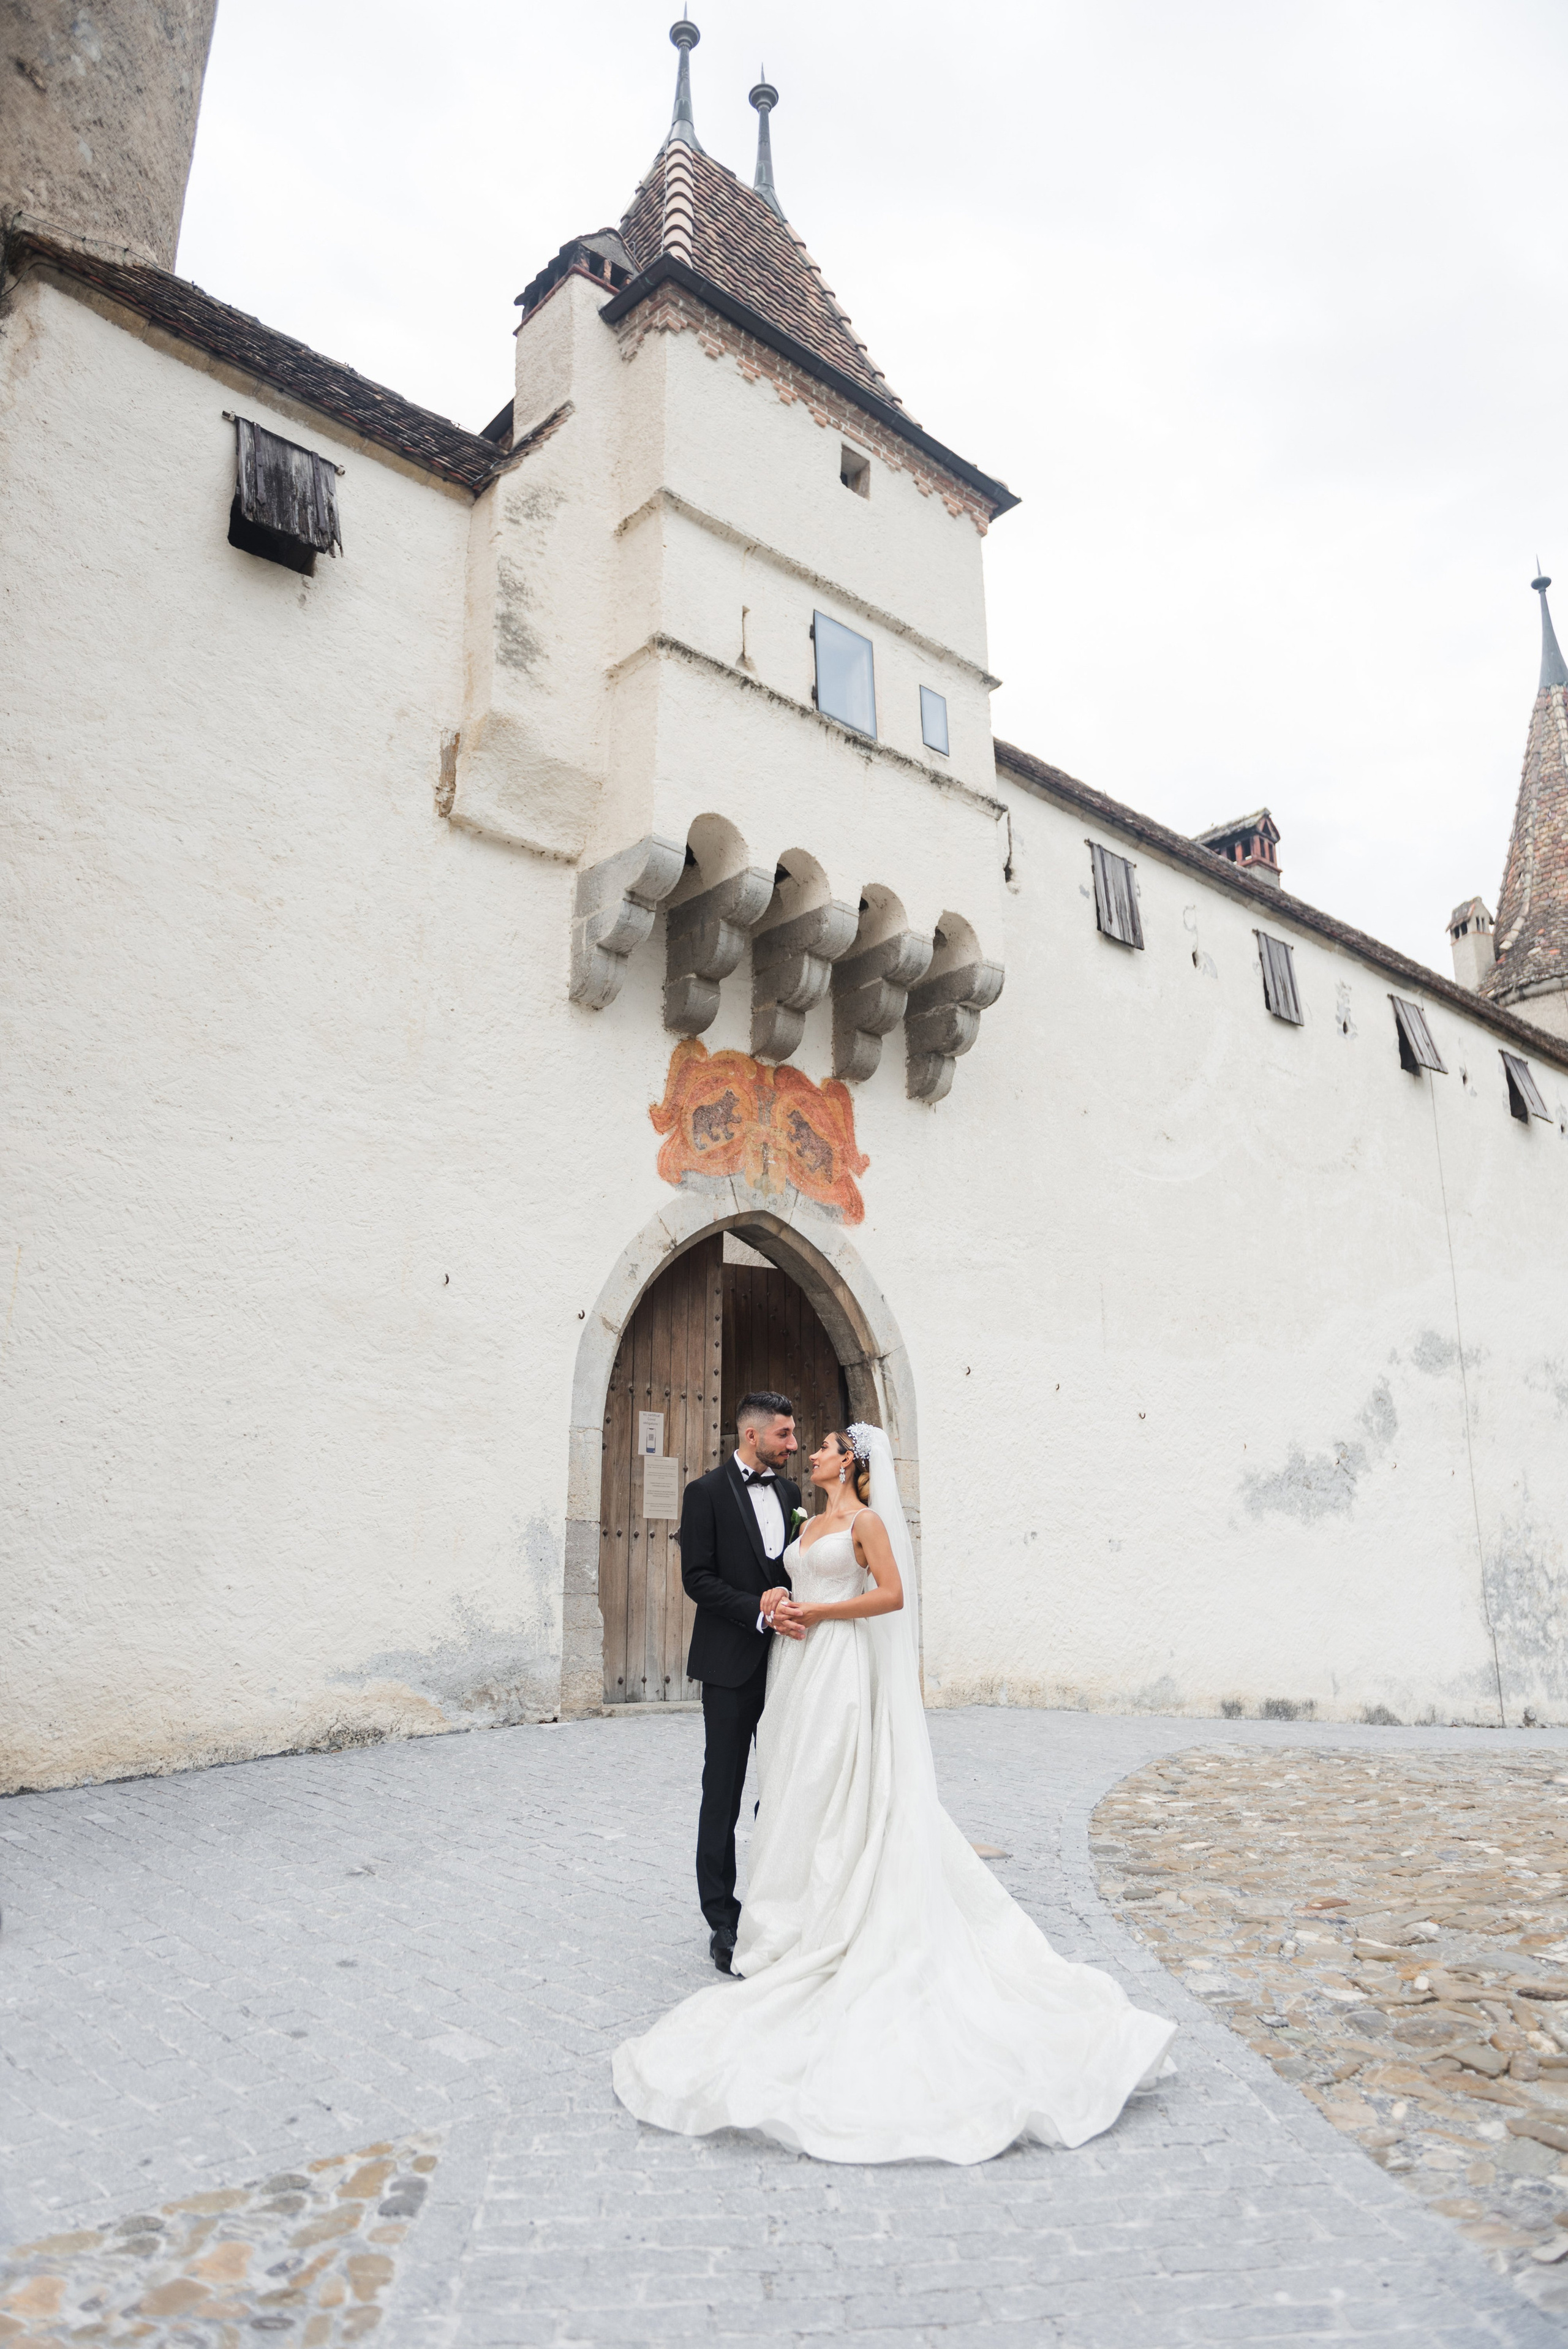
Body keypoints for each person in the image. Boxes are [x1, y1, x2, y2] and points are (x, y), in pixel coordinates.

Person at [614, 1423, 1177, 2165]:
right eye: (804, 1442)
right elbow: (774, 1578)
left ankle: (838, 1912)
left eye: (822, 1445)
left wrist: (818, 1612)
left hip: (838, 1666)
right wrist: (779, 1600)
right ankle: (791, 1915)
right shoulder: (806, 1519)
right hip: (793, 1668)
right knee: (793, 1788)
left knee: (834, 1779)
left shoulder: (867, 1522)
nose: (810, 1451)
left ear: (850, 1461)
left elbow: (890, 1595)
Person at [677, 1390, 803, 1975]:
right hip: (729, 1666)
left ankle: (777, 1903)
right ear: (753, 1435)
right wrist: (758, 1610)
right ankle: (722, 1918)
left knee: (782, 1786)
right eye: (784, 1434)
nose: (794, 1444)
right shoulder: (703, 1494)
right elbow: (698, 1579)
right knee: (722, 1791)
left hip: (786, 1665)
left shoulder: (792, 1495)